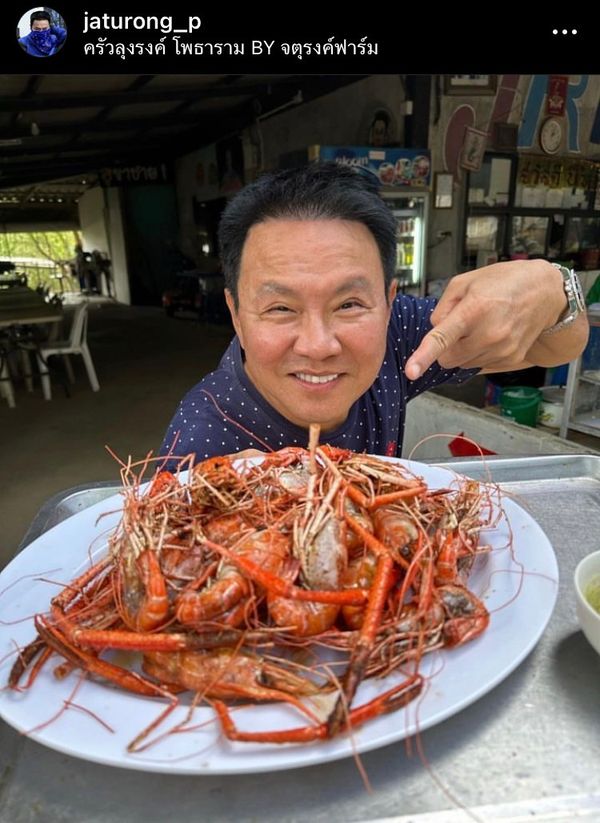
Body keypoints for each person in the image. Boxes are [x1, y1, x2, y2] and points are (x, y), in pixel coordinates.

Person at [159, 163, 588, 463]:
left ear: (387, 300)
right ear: (235, 313)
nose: (319, 345)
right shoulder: (203, 444)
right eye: (280, 308)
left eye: (348, 304)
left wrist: (556, 289)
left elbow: (560, 347)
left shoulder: (401, 333)